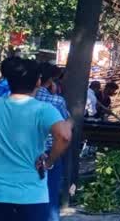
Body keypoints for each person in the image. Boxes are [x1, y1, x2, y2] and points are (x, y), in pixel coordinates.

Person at [0, 57, 72, 221]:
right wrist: (49, 161)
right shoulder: (44, 109)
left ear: (8, 80)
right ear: (38, 82)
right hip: (31, 198)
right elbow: (64, 136)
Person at [35, 63, 70, 221]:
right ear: (50, 81)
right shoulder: (56, 101)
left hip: (23, 153)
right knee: (50, 195)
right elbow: (64, 134)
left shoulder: (12, 101)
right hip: (50, 154)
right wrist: (49, 162)